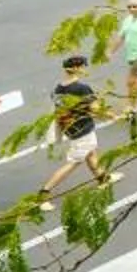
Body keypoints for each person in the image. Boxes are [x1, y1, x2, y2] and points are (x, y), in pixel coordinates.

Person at [35, 57, 110, 206]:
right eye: (82, 66)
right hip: (83, 128)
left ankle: (103, 178)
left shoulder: (58, 89)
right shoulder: (82, 88)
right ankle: (44, 192)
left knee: (91, 153)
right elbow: (96, 109)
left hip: (69, 128)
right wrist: (113, 115)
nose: (84, 69)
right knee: (74, 161)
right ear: (76, 68)